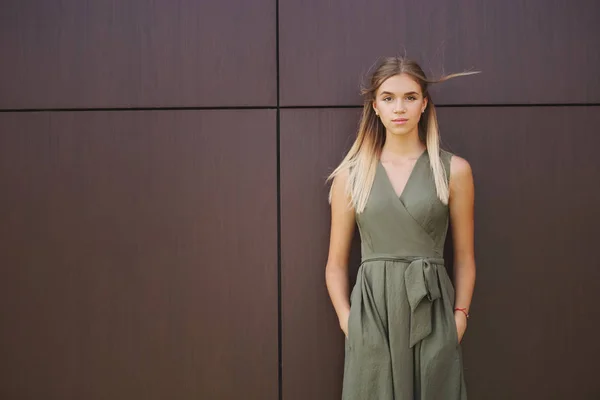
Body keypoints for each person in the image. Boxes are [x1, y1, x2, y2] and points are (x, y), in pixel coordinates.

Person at [325, 56, 477, 399]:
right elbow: (335, 263)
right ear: (375, 106)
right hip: (373, 317)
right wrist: (348, 321)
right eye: (388, 98)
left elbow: (466, 257)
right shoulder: (351, 176)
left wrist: (459, 319)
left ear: (424, 104)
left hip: (433, 314)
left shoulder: (453, 171)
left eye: (410, 97)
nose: (399, 108)